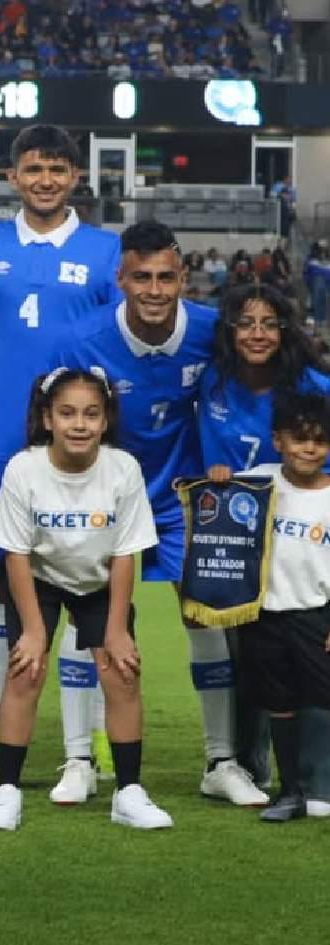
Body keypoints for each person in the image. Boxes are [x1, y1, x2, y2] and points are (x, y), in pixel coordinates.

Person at [55, 220, 267, 806]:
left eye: (165, 278)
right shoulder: (82, 340)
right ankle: (78, 759)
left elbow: (265, 375)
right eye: (141, 277)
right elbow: (57, 423)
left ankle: (221, 761)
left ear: (183, 279)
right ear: (120, 279)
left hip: (181, 501)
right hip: (104, 500)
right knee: (88, 620)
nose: (154, 290)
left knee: (206, 617)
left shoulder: (210, 332)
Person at [0, 124, 122, 782]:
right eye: (33, 168)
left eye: (58, 168)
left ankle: (95, 737)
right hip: (2, 442)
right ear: (13, 177)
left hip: (83, 443)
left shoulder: (106, 250)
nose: (46, 179)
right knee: (1, 586)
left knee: (91, 581)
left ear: (76, 176)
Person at [0, 368, 173, 831]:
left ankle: (128, 792)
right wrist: (33, 631)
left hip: (100, 579)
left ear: (105, 421)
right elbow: (15, 554)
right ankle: (6, 792)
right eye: (67, 414)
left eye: (91, 414)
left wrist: (117, 629)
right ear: (47, 419)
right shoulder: (23, 468)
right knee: (25, 671)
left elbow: (126, 554)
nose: (79, 424)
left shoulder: (123, 468)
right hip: (38, 579)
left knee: (122, 673)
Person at [198, 283, 330, 816]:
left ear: (286, 330)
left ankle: (315, 781)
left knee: (315, 678)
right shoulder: (213, 381)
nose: (258, 333)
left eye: (270, 323)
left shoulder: (315, 387)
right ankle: (252, 768)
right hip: (239, 549)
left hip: (311, 554)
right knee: (251, 663)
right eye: (247, 323)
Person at [232, 393, 330, 822]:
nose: (309, 449)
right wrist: (219, 478)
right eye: (300, 439)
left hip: (316, 614)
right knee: (279, 701)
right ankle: (290, 791)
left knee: (321, 697)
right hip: (264, 616)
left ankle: (320, 784)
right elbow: (218, 509)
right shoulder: (257, 482)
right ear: (278, 441)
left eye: (320, 441)